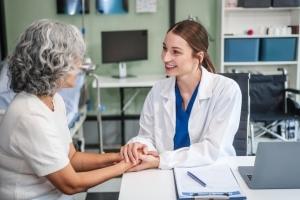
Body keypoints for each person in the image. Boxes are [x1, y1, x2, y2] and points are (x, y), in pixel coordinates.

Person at [0, 19, 135, 200]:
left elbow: (72, 158)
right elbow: (71, 184)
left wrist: (118, 157)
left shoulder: (54, 99)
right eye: (74, 58)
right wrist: (126, 166)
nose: (80, 65)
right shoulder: (29, 115)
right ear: (52, 63)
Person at [120, 20, 242, 171]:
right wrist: (139, 145)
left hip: (211, 172)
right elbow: (147, 136)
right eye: (165, 48)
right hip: (165, 173)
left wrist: (161, 160)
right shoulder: (158, 90)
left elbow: (213, 149)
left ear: (199, 56)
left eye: (175, 52)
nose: (165, 58)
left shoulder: (226, 90)